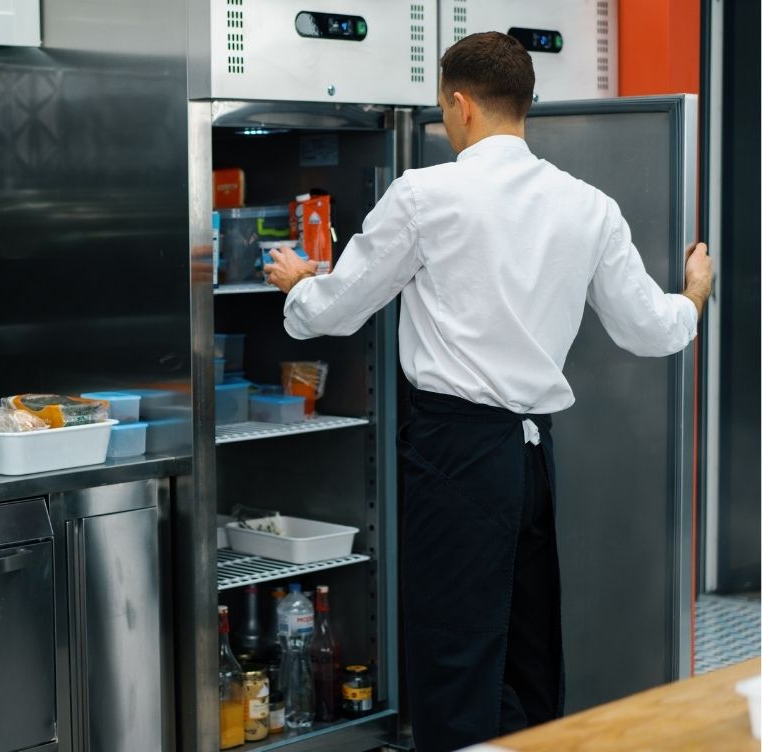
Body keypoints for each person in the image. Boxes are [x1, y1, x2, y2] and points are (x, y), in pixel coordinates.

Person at [264, 31, 713, 752]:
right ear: (524, 105)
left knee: (456, 656)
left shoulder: (425, 194)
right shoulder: (588, 206)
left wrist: (298, 285)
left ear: (461, 105)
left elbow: (336, 310)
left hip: (455, 453)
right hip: (532, 459)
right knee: (530, 651)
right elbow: (648, 329)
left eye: (444, 110)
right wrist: (694, 295)